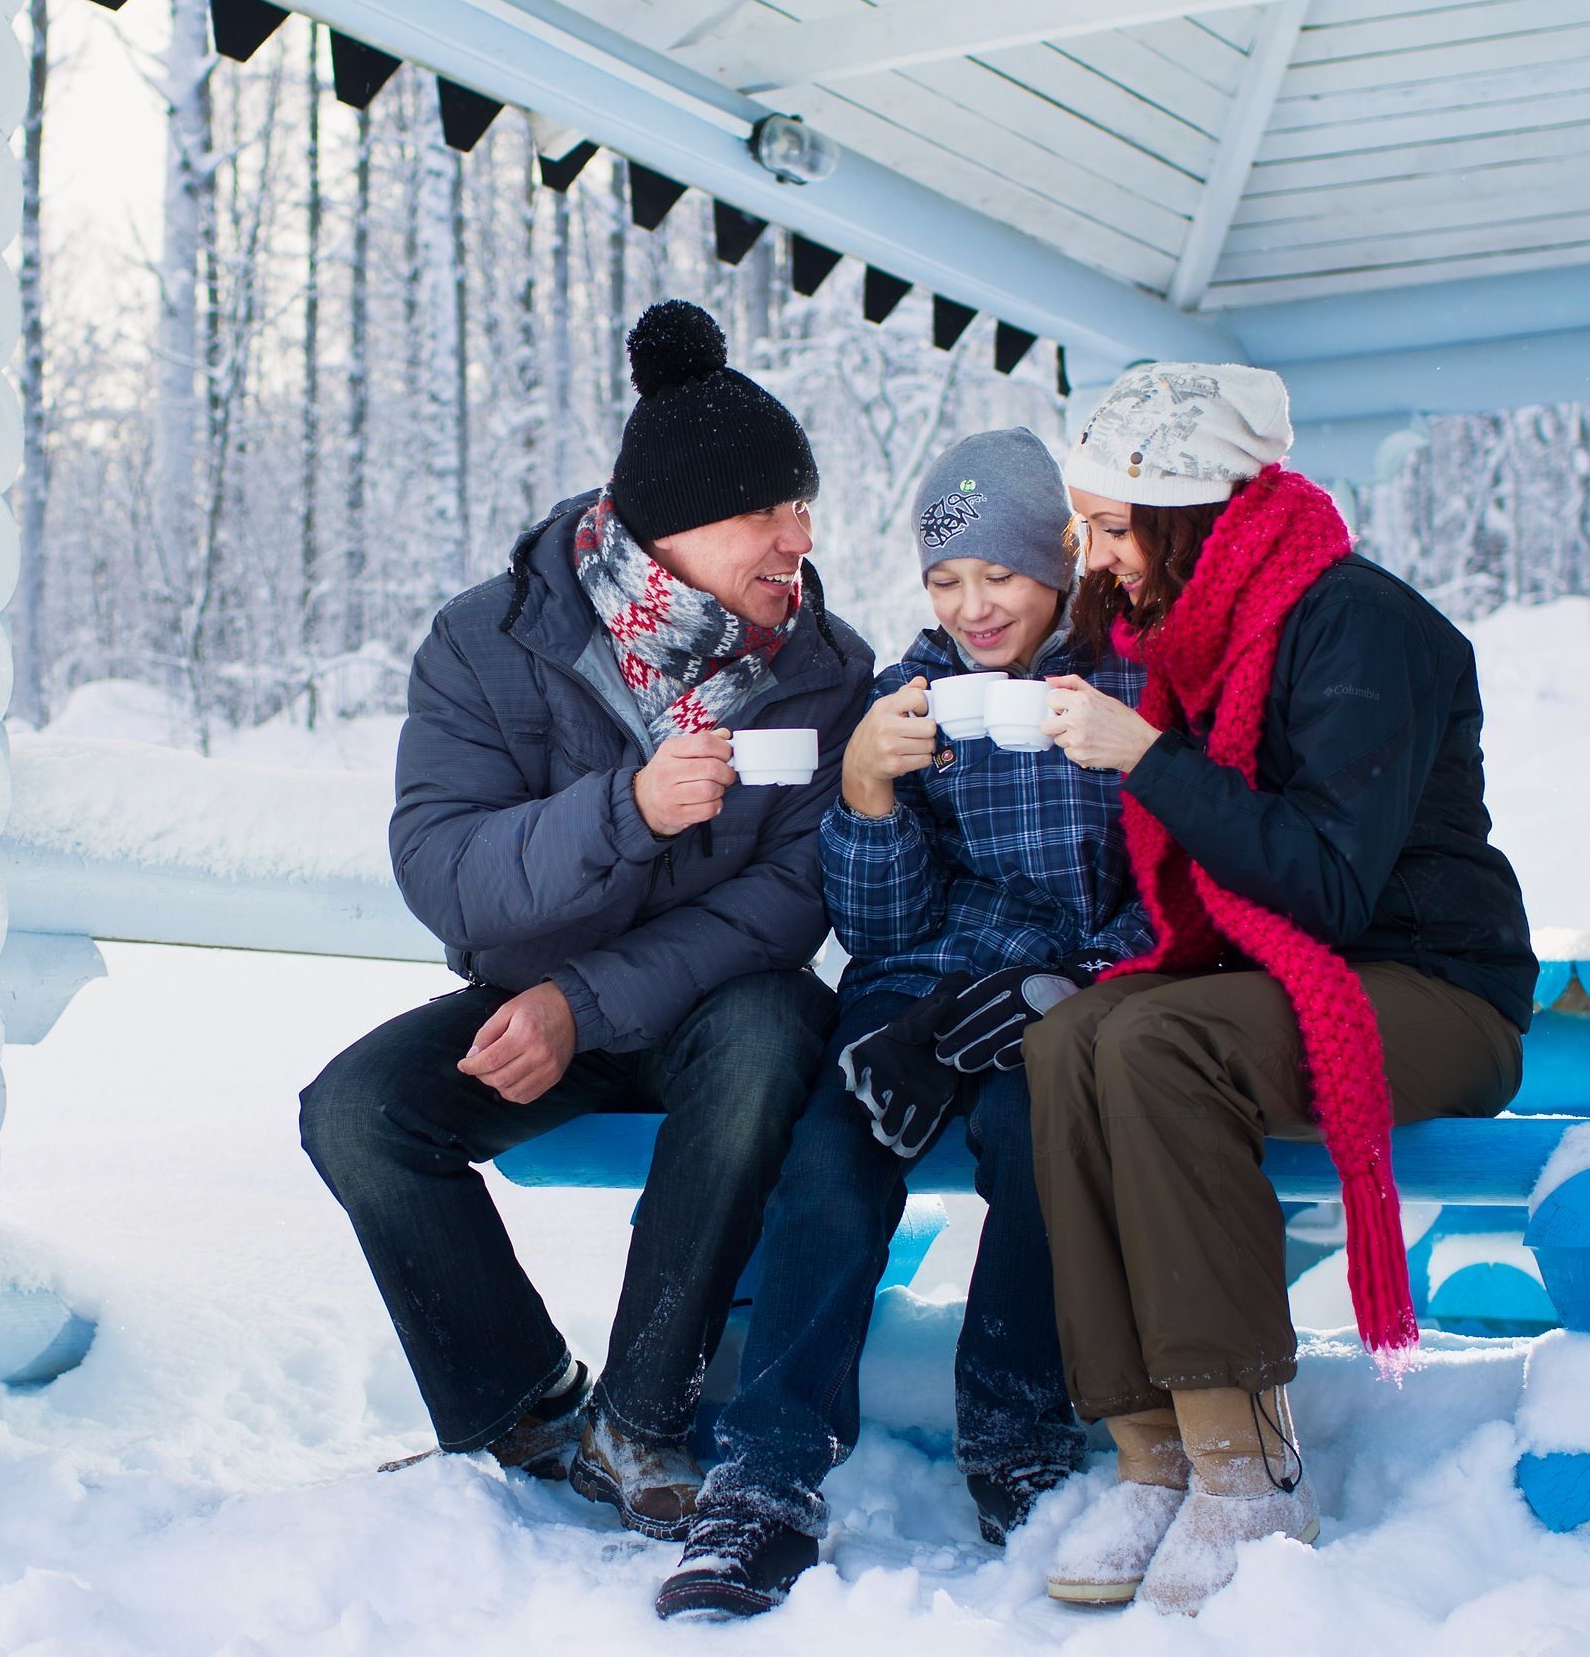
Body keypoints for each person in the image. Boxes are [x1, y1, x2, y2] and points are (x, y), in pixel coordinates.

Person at [299, 300, 874, 1542]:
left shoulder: (826, 670)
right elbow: (446, 870)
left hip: (709, 1010)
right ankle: (526, 1406)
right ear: (672, 527)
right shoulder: (488, 641)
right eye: (768, 512)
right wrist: (629, 810)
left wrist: (582, 1001)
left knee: (774, 1023)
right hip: (529, 999)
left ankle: (640, 1417)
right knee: (356, 1113)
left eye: (803, 506)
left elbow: (789, 901)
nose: (800, 537)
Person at [1021, 363, 1535, 1615]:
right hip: (1294, 981)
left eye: (1111, 524)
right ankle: (1149, 1450)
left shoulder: (1355, 621)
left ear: (1187, 509)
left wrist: (1150, 758)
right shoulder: (1202, 625)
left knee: (1155, 1043)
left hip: (1435, 989)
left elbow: (1326, 881)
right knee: (1071, 1037)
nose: (1096, 557)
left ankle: (1244, 1462)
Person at [656, 427, 1152, 1619]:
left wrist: (1062, 987)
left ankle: (1017, 1428)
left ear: (1062, 559)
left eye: (1001, 573)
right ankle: (765, 1475)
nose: (973, 607)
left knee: (1041, 1133)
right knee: (832, 1150)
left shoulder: (1132, 689)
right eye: (944, 579)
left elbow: (1170, 898)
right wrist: (866, 789)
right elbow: (881, 926)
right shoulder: (910, 695)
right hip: (916, 995)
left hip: (1061, 1000)